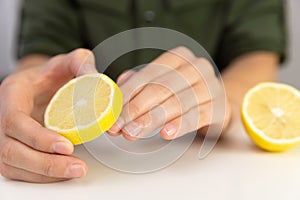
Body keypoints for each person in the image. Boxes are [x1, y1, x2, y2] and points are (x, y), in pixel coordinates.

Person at [0, 0, 286, 183]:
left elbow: (256, 56)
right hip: (92, 162)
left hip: (218, 173)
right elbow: (41, 55)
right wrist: (37, 101)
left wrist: (226, 100)